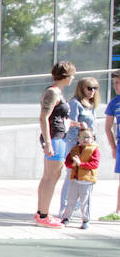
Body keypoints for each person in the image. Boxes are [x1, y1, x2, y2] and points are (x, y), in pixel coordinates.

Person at [36, 61, 76, 228]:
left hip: (56, 136)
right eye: (72, 75)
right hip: (55, 138)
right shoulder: (53, 93)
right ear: (66, 76)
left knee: (49, 176)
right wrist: (48, 142)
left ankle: (42, 212)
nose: (74, 78)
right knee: (52, 177)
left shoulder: (56, 92)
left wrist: (74, 124)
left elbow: (56, 117)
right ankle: (43, 214)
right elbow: (44, 117)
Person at [59, 77, 99, 215]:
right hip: (75, 143)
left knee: (84, 175)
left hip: (88, 145)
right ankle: (64, 206)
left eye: (95, 88)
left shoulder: (91, 105)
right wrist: (79, 129)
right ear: (82, 88)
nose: (92, 91)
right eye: (89, 88)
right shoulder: (76, 103)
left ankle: (76, 206)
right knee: (71, 173)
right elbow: (69, 123)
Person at [61, 128, 100, 229]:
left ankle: (86, 220)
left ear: (92, 138)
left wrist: (81, 164)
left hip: (87, 181)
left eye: (87, 137)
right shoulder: (75, 149)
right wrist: (72, 164)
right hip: (75, 179)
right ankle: (66, 218)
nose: (85, 139)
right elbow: (68, 162)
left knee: (85, 201)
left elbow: (95, 164)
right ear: (78, 138)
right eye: (82, 137)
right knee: (70, 200)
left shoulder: (94, 149)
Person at [100, 71, 120, 221]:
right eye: (114, 83)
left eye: (119, 83)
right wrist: (113, 146)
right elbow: (108, 127)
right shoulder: (114, 102)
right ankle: (118, 212)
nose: (116, 86)